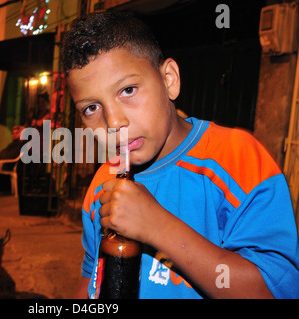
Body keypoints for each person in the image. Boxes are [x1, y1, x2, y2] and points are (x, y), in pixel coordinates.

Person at [60, 11, 299, 299]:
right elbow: (90, 277)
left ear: (169, 80)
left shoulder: (237, 159)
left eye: (128, 90)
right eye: (91, 108)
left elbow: (272, 292)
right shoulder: (102, 183)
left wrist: (157, 226)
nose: (113, 123)